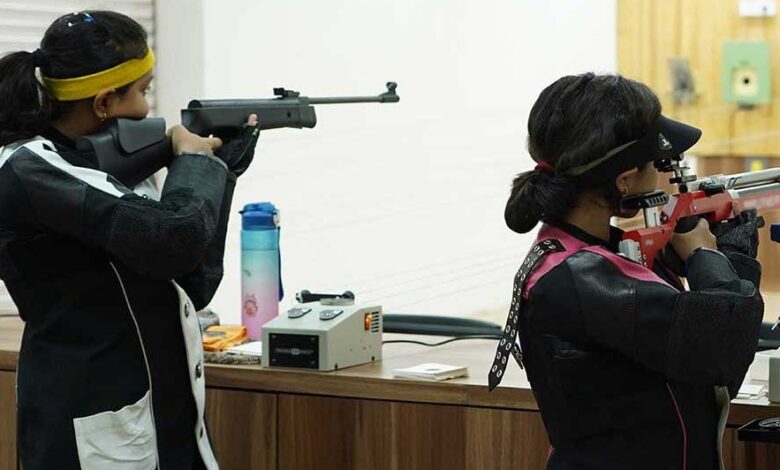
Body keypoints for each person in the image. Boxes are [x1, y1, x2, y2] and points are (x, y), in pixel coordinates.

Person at [0, 11, 259, 469]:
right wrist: (197, 165)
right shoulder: (29, 170)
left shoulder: (115, 167)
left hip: (167, 415)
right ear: (104, 103)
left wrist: (222, 174)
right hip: (95, 434)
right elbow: (174, 238)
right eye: (143, 90)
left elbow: (189, 282)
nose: (148, 107)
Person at [497, 73, 764, 469]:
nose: (661, 173)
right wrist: (709, 255)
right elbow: (720, 349)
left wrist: (714, 259)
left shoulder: (588, 255)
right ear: (624, 181)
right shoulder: (578, 278)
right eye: (655, 163)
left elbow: (710, 373)